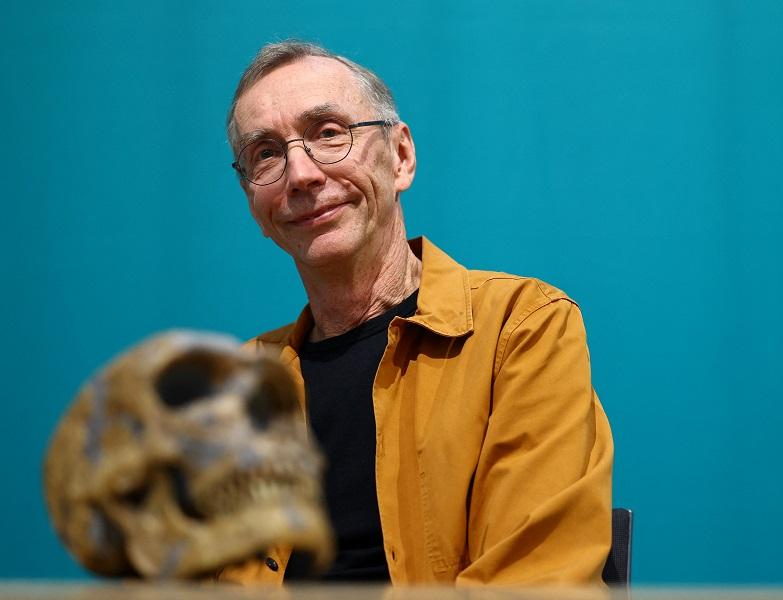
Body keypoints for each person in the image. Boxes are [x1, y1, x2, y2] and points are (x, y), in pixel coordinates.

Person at [216, 40, 613, 585]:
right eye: (266, 154)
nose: (300, 174)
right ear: (253, 205)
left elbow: (533, 582)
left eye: (328, 133)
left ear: (400, 156)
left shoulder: (520, 328)